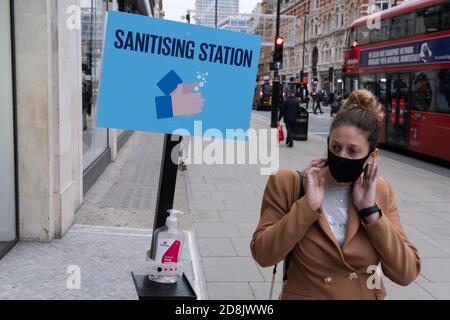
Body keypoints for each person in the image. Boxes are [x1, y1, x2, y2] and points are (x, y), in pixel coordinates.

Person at [251, 89, 421, 300]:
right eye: (336, 147)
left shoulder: (380, 191)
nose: (341, 156)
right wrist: (306, 206)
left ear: (372, 155)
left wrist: (370, 211)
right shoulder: (289, 183)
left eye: (352, 151)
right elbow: (264, 254)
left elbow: (406, 273)